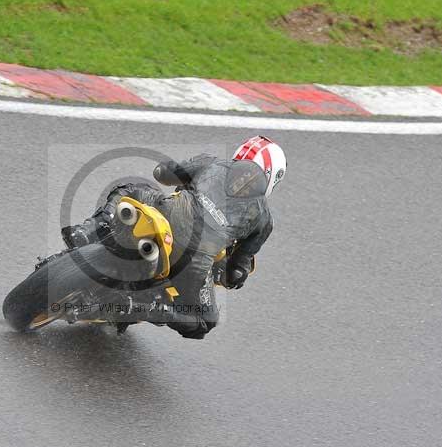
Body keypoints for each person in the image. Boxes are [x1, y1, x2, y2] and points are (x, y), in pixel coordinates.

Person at [61, 136, 286, 339]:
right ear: (272, 177)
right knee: (205, 322)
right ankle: (149, 309)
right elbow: (237, 270)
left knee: (132, 188)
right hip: (195, 263)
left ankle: (85, 232)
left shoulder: (213, 163)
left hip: (167, 216)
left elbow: (161, 173)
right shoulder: (264, 219)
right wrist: (236, 273)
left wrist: (184, 178)